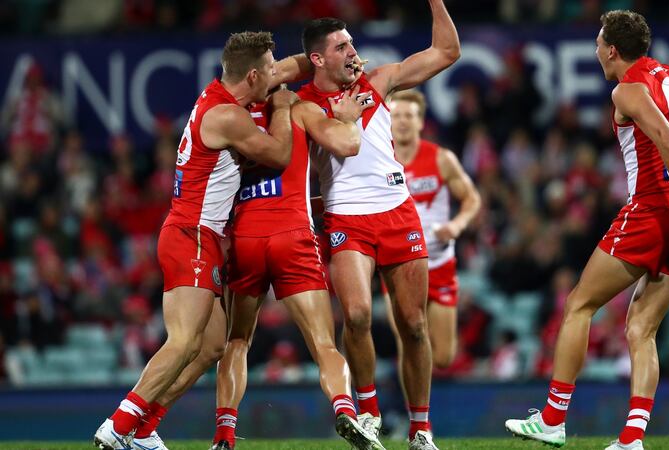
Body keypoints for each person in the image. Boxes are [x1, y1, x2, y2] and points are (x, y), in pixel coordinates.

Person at [504, 10, 669, 450]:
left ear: (614, 50)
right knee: (641, 329)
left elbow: (666, 139)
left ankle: (552, 418)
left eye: (599, 43)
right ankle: (632, 438)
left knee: (579, 305)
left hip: (651, 214)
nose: (596, 50)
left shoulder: (628, 89)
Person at [93, 31, 306, 450]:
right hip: (191, 234)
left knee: (211, 347)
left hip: (201, 236)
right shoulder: (226, 116)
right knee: (185, 339)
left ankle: (144, 427)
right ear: (251, 77)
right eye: (269, 72)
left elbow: (289, 67)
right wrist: (282, 108)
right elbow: (280, 156)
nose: (276, 77)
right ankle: (117, 426)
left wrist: (328, 56)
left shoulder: (226, 92)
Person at [296, 4, 460, 449]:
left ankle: (421, 428)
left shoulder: (380, 80)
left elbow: (447, 52)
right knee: (356, 315)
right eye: (341, 47)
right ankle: (368, 413)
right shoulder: (303, 104)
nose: (353, 52)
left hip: (397, 212)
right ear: (318, 59)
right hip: (346, 216)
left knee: (414, 324)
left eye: (351, 44)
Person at [207, 88, 378, 450]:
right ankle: (345, 409)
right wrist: (348, 118)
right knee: (322, 342)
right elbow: (346, 143)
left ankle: (224, 434)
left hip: (246, 236)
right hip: (293, 233)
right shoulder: (300, 111)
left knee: (237, 341)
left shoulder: (229, 120)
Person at [383, 90, 480, 376]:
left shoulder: (441, 159)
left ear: (420, 122)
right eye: (396, 116)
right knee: (408, 343)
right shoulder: (379, 160)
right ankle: (416, 419)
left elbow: (472, 199)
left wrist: (457, 225)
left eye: (408, 116)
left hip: (439, 263)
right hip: (399, 265)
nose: (401, 122)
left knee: (444, 357)